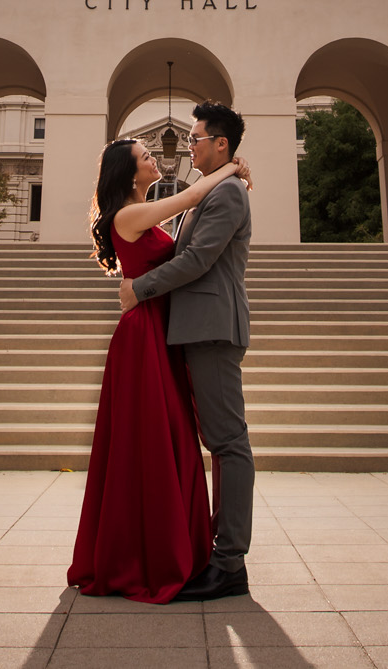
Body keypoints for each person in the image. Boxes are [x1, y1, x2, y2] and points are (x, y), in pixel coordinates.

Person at [67, 129, 253, 603]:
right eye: (147, 155)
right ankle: (148, 555)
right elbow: (191, 194)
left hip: (162, 333)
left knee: (166, 441)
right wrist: (233, 168)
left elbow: (187, 247)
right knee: (147, 443)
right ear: (129, 173)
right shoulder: (130, 214)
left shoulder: (144, 216)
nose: (157, 159)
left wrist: (231, 172)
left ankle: (171, 550)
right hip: (143, 336)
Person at [119, 100, 253, 603]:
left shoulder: (228, 194)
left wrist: (141, 288)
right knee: (220, 442)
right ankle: (216, 554)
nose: (188, 143)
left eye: (196, 138)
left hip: (213, 330)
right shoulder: (212, 190)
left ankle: (230, 561)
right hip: (193, 329)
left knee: (228, 443)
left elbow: (197, 260)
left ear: (221, 144)